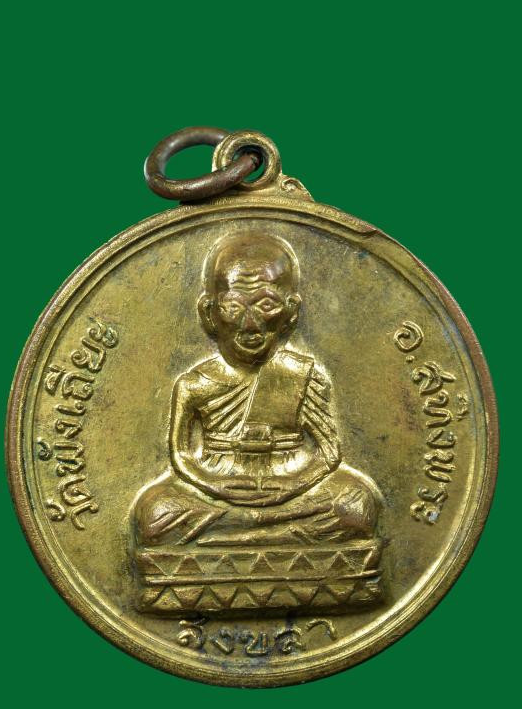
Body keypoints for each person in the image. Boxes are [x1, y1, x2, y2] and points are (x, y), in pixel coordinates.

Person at [133, 231, 381, 550]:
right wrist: (215, 486)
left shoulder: (302, 374)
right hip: (215, 489)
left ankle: (234, 540)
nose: (250, 325)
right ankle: (279, 538)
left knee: (356, 505)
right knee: (155, 514)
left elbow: (329, 452)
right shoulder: (193, 384)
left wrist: (291, 486)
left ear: (291, 311)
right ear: (209, 312)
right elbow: (181, 455)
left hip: (293, 485)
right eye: (233, 306)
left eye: (266, 304)